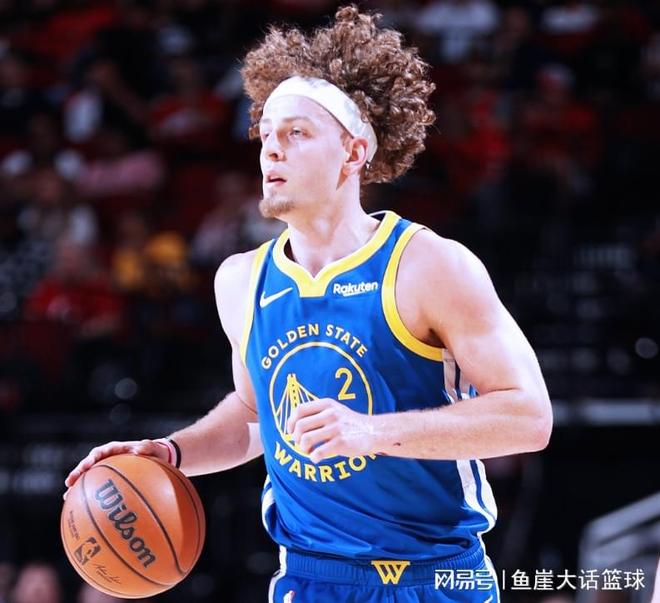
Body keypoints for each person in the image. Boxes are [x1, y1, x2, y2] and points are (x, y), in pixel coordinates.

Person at [65, 6, 552, 601]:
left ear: (353, 152)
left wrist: (371, 432)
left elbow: (529, 418)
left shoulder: (429, 265)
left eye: (296, 133)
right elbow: (255, 418)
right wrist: (171, 452)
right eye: (267, 134)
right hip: (310, 578)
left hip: (433, 576)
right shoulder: (241, 280)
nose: (272, 150)